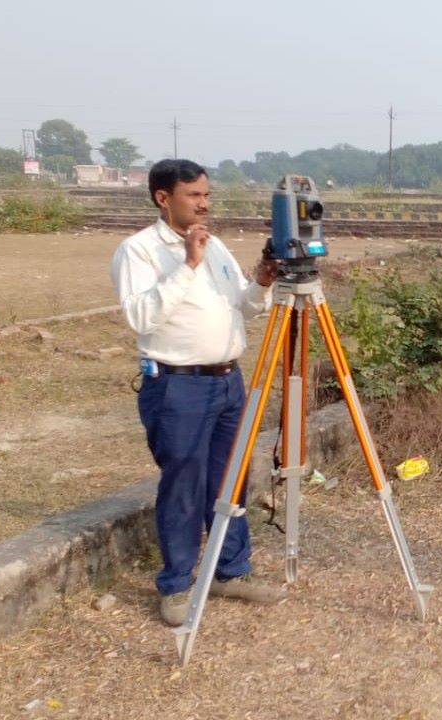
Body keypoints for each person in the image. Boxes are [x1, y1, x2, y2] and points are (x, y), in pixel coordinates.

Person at [111, 159, 281, 626]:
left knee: (230, 479)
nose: (204, 203)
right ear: (163, 198)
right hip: (176, 386)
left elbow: (241, 308)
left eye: (207, 194)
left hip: (228, 380)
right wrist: (188, 264)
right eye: (193, 195)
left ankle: (230, 570)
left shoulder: (217, 245)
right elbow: (142, 318)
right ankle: (176, 583)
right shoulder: (139, 251)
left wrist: (261, 283)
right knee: (183, 482)